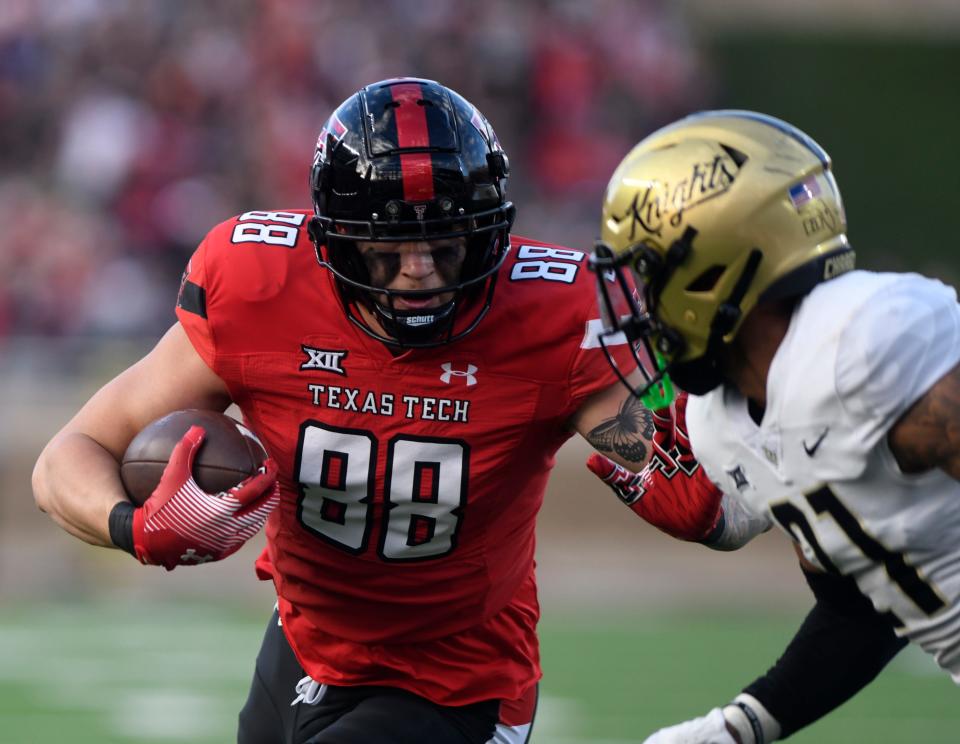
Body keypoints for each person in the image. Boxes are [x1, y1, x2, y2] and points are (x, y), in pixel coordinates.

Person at [31, 77, 723, 744]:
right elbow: (70, 454)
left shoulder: (558, 317)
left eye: (446, 243)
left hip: (456, 686)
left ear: (488, 234)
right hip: (302, 646)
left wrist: (687, 422)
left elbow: (687, 474)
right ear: (333, 237)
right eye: (389, 244)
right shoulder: (257, 290)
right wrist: (135, 528)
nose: (418, 269)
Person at [587, 109, 960, 742]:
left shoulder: (864, 339)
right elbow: (865, 606)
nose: (638, 307)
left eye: (648, 276)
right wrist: (738, 728)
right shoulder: (720, 423)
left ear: (709, 271)